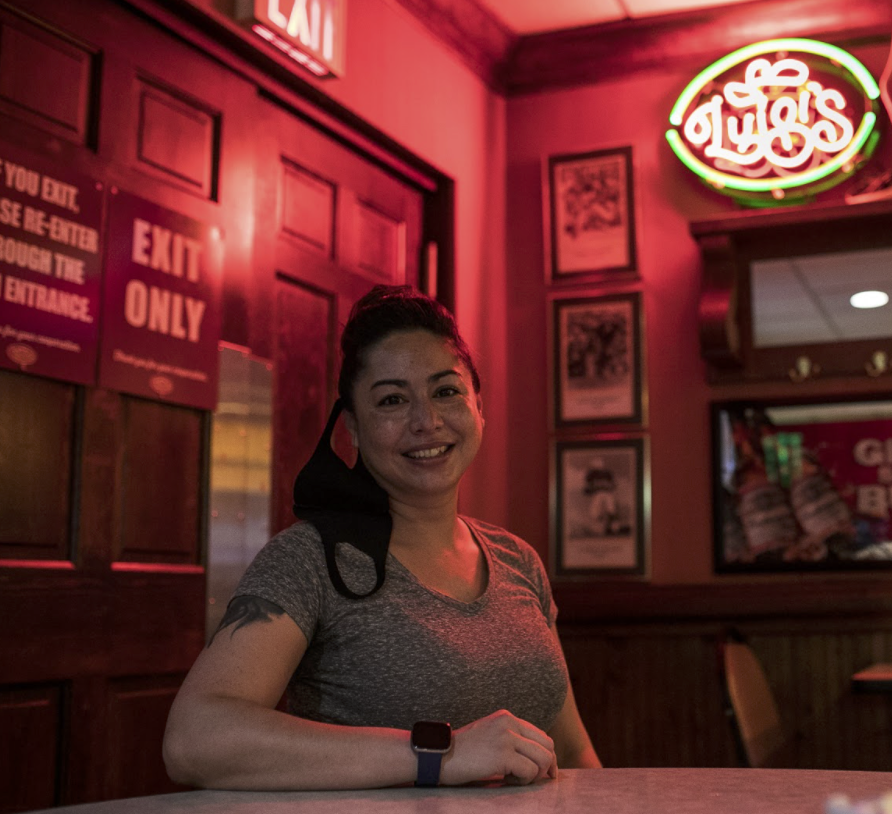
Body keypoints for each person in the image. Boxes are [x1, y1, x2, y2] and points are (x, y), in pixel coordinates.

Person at [163, 285, 601, 790]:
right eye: (392, 400)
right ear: (351, 426)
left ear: (479, 405)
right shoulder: (310, 561)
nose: (426, 421)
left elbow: (573, 751)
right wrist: (441, 753)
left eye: (446, 391)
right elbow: (194, 739)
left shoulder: (518, 560)